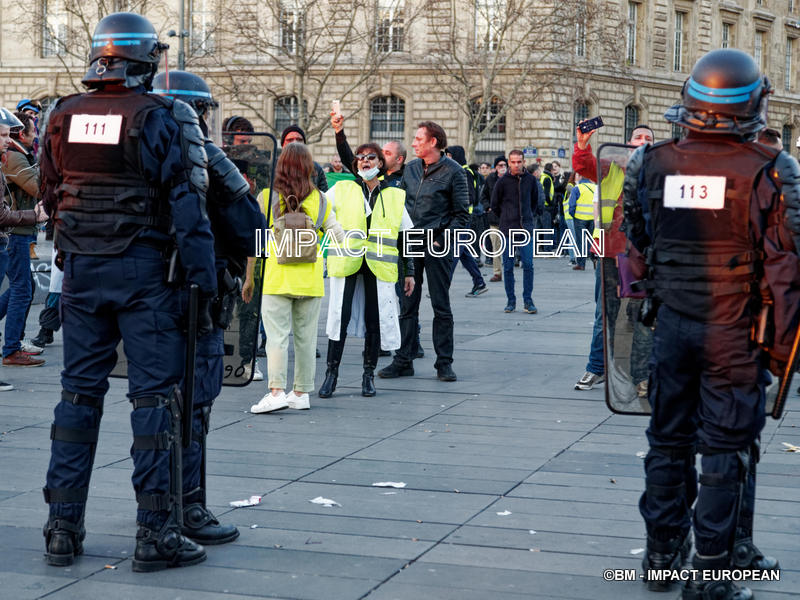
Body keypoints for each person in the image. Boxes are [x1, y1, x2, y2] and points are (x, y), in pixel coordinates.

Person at [40, 12, 215, 571]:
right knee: (154, 402)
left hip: (81, 274)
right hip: (145, 274)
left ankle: (62, 529)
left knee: (77, 398)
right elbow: (190, 207)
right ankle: (155, 532)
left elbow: (49, 190)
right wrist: (204, 280)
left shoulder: (62, 113)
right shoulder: (163, 114)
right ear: (146, 59)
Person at [625, 49, 787, 599]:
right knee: (725, 446)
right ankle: (713, 571)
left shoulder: (650, 162)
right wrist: (783, 349)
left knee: (667, 441)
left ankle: (661, 555)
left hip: (671, 325)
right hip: (736, 330)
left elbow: (636, 244)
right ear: (751, 103)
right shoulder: (771, 168)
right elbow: (787, 269)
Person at [152, 70, 266, 545]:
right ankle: (189, 506)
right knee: (193, 408)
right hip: (196, 300)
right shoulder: (209, 160)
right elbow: (254, 231)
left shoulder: (131, 151)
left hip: (140, 300)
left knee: (152, 406)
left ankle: (155, 508)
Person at [248, 143, 344, 413]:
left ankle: (276, 391)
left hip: (277, 277)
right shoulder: (321, 199)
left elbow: (254, 238)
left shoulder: (267, 197)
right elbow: (338, 235)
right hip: (310, 279)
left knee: (277, 338)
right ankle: (300, 393)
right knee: (306, 338)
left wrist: (249, 277)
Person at [320, 142, 415, 398]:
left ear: (380, 164)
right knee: (340, 317)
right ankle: (331, 375)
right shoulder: (342, 189)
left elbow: (407, 236)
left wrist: (410, 272)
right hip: (347, 261)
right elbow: (319, 212)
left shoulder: (394, 194)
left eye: (371, 157)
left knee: (374, 320)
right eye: (360, 158)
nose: (365, 161)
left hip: (378, 264)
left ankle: (368, 375)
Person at [378, 121, 469, 382]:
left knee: (441, 305)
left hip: (438, 245)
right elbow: (400, 206)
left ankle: (444, 363)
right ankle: (403, 359)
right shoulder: (411, 169)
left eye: (419, 139)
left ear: (433, 142)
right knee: (407, 304)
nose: (414, 142)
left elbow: (462, 215)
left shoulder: (454, 172)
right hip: (410, 243)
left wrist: (443, 240)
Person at [572, 122, 655, 392]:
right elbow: (584, 165)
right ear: (628, 144)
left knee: (641, 317)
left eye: (647, 138)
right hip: (610, 253)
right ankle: (596, 368)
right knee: (604, 315)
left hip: (643, 257)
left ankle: (640, 375)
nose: (642, 141)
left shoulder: (662, 174)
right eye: (637, 137)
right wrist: (582, 143)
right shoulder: (612, 166)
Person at [0, 108, 48, 388]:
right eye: (33, 129)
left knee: (23, 287)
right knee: (21, 289)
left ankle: (13, 346)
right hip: (15, 232)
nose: (36, 134)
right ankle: (11, 349)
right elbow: (38, 189)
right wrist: (36, 215)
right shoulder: (16, 158)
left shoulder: (18, 156)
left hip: (16, 231)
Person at [491, 149, 538, 314]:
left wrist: (527, 218)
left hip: (525, 229)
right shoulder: (502, 182)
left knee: (528, 265)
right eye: (513, 162)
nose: (516, 165)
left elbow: (534, 202)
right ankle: (511, 301)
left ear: (524, 162)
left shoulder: (531, 180)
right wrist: (506, 217)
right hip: (507, 229)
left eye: (519, 161)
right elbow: (494, 205)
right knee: (508, 266)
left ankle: (528, 300)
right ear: (509, 162)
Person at [446, 145, 486, 297]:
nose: (447, 158)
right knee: (464, 253)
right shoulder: (461, 170)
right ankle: (479, 281)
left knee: (454, 253)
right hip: (460, 217)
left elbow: (470, 196)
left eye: (449, 155)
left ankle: (443, 284)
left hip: (462, 218)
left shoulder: (463, 172)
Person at [279, 125, 328, 192]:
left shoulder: (316, 169)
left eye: (299, 140)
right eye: (290, 140)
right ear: (283, 145)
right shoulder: (272, 168)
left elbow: (324, 196)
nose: (295, 143)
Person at [482, 156, 507, 281]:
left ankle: (508, 271)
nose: (502, 167)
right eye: (500, 165)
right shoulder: (490, 179)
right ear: (496, 167)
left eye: (504, 165)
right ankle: (497, 273)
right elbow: (484, 196)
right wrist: (487, 207)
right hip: (494, 219)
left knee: (508, 247)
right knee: (496, 247)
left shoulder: (511, 179)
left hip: (509, 219)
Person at [567, 173, 595, 270]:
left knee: (580, 241)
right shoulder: (595, 187)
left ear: (580, 177)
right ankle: (594, 257)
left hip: (580, 218)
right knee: (591, 240)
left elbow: (571, 205)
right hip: (592, 218)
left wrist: (574, 215)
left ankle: (581, 264)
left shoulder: (577, 188)